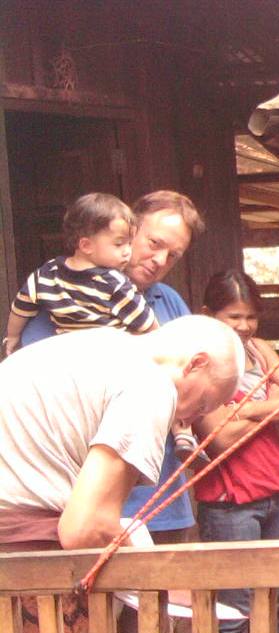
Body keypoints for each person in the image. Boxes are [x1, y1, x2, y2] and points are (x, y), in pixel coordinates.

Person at [18, 190, 207, 543]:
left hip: (164, 501)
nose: (159, 259)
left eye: (173, 255)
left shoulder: (171, 302)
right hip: (83, 505)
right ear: (127, 229)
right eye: (154, 243)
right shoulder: (61, 298)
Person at [0, 315, 244, 552]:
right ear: (196, 363)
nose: (188, 419)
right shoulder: (152, 385)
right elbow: (85, 529)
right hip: (21, 545)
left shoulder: (96, 345)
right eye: (202, 404)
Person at [191, 270, 279, 633]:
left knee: (275, 599)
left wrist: (247, 411)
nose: (244, 326)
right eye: (234, 317)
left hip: (278, 489)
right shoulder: (198, 361)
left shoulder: (260, 350)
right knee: (236, 612)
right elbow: (221, 439)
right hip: (232, 503)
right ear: (209, 313)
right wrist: (274, 405)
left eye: (251, 317)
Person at [4, 193, 157, 356]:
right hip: (111, 356)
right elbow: (147, 324)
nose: (127, 252)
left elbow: (20, 307)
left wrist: (13, 336)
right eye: (119, 244)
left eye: (129, 244)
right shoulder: (114, 282)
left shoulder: (47, 274)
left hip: (70, 358)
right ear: (86, 245)